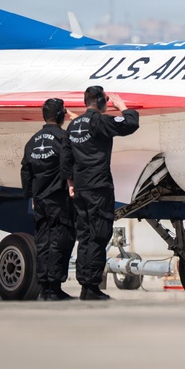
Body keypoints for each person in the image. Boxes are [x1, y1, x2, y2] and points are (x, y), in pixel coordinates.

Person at [61, 85, 140, 301]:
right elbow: (131, 123)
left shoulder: (74, 125)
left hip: (80, 188)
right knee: (98, 235)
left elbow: (66, 158)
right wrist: (123, 107)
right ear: (101, 101)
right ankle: (91, 287)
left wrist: (70, 182)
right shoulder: (100, 122)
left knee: (85, 237)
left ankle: (85, 284)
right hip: (98, 188)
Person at [20, 98, 76, 301]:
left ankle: (44, 286)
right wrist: (73, 185)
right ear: (61, 116)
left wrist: (30, 195)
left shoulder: (32, 141)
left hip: (40, 200)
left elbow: (26, 170)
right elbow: (69, 165)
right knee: (60, 241)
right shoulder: (64, 138)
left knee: (43, 241)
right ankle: (53, 288)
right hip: (59, 199)